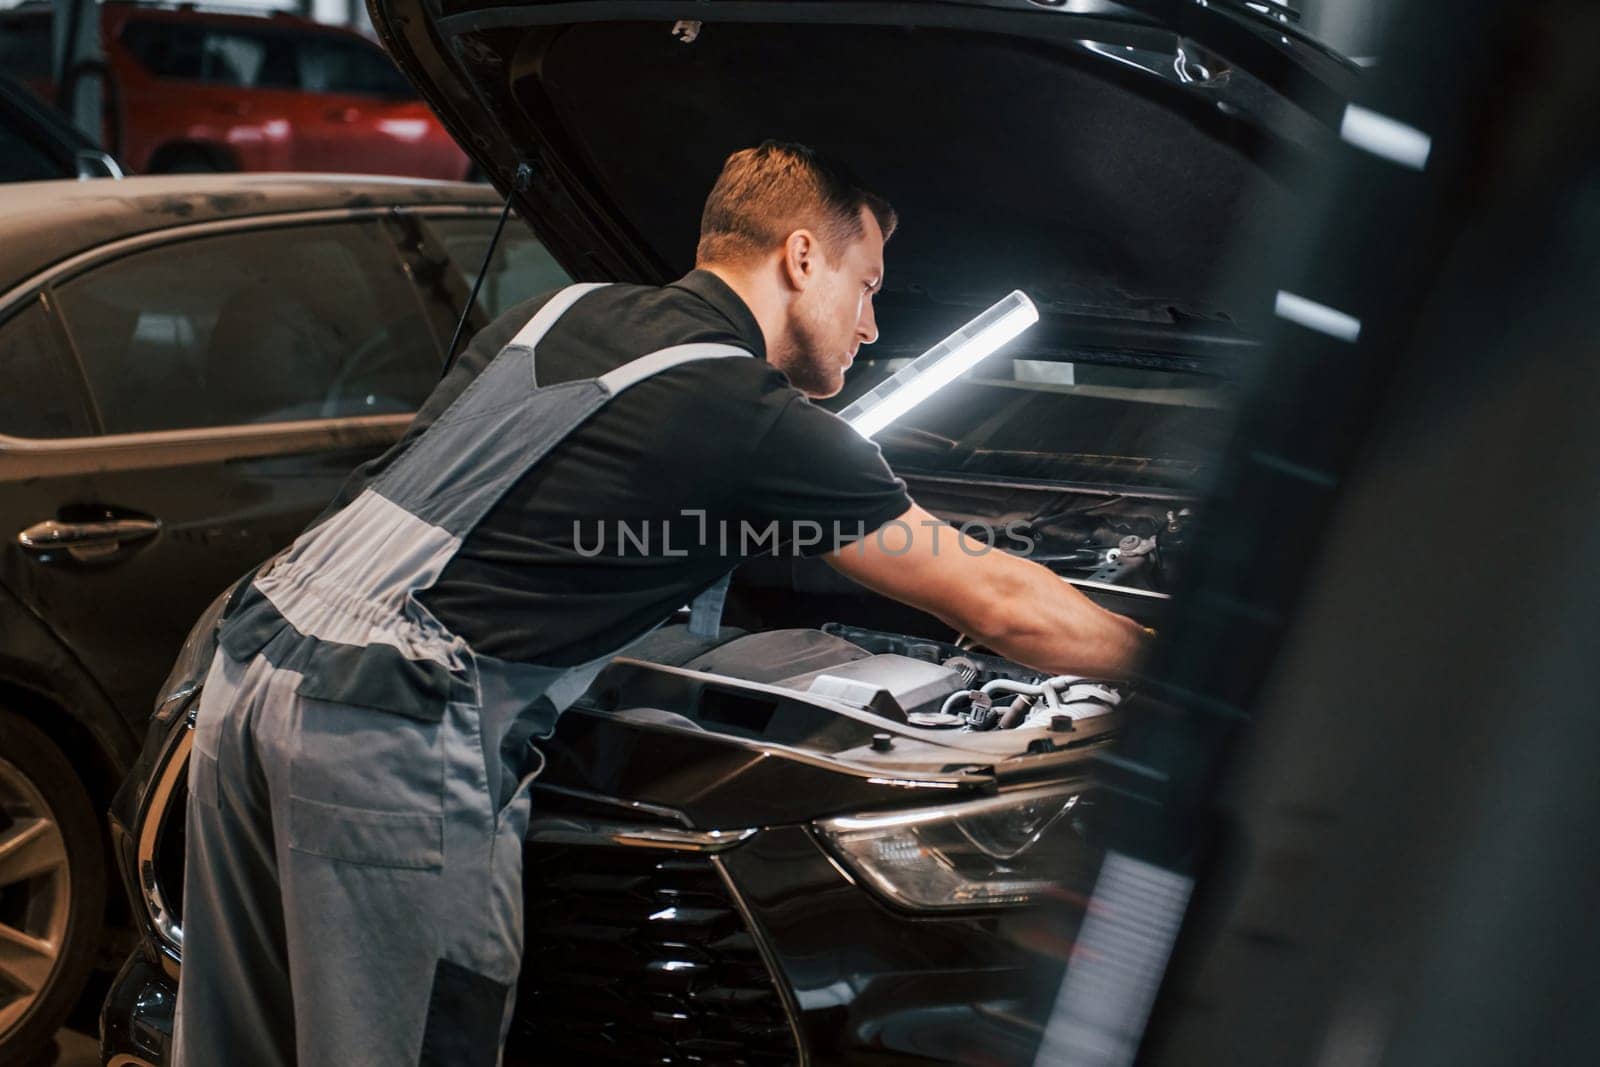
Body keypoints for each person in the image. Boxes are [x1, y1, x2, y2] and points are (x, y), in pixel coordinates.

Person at [172, 140, 1149, 1065]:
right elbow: (1005, 603)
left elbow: (476, 505)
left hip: (246, 672)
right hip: (387, 732)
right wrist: (1190, 668)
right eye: (869, 286)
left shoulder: (558, 311)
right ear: (802, 256)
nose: (872, 325)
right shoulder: (748, 414)